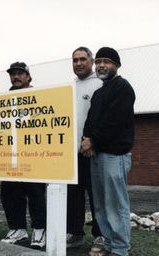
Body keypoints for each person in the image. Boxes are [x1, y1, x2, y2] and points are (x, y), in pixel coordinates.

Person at [80, 47, 135, 256]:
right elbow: (90, 120)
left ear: (117, 65)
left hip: (115, 155)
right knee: (101, 205)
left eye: (107, 61)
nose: (102, 65)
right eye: (99, 61)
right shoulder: (99, 92)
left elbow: (114, 122)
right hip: (97, 154)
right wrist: (86, 139)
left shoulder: (123, 88)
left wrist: (92, 141)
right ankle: (109, 244)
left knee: (115, 204)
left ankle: (120, 249)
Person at [0, 62, 47, 250]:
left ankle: (40, 230)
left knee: (35, 192)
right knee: (9, 192)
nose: (16, 77)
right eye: (13, 74)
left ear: (28, 77)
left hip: (32, 154)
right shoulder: (5, 99)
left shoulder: (38, 96)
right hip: (10, 155)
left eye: (20, 74)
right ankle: (17, 229)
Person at [66, 47, 103, 248]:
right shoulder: (69, 87)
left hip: (92, 150)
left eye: (82, 59)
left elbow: (100, 117)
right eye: (75, 60)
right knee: (73, 195)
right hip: (72, 153)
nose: (78, 63)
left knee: (96, 195)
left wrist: (92, 140)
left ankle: (100, 234)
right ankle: (75, 233)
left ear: (92, 60)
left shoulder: (100, 84)